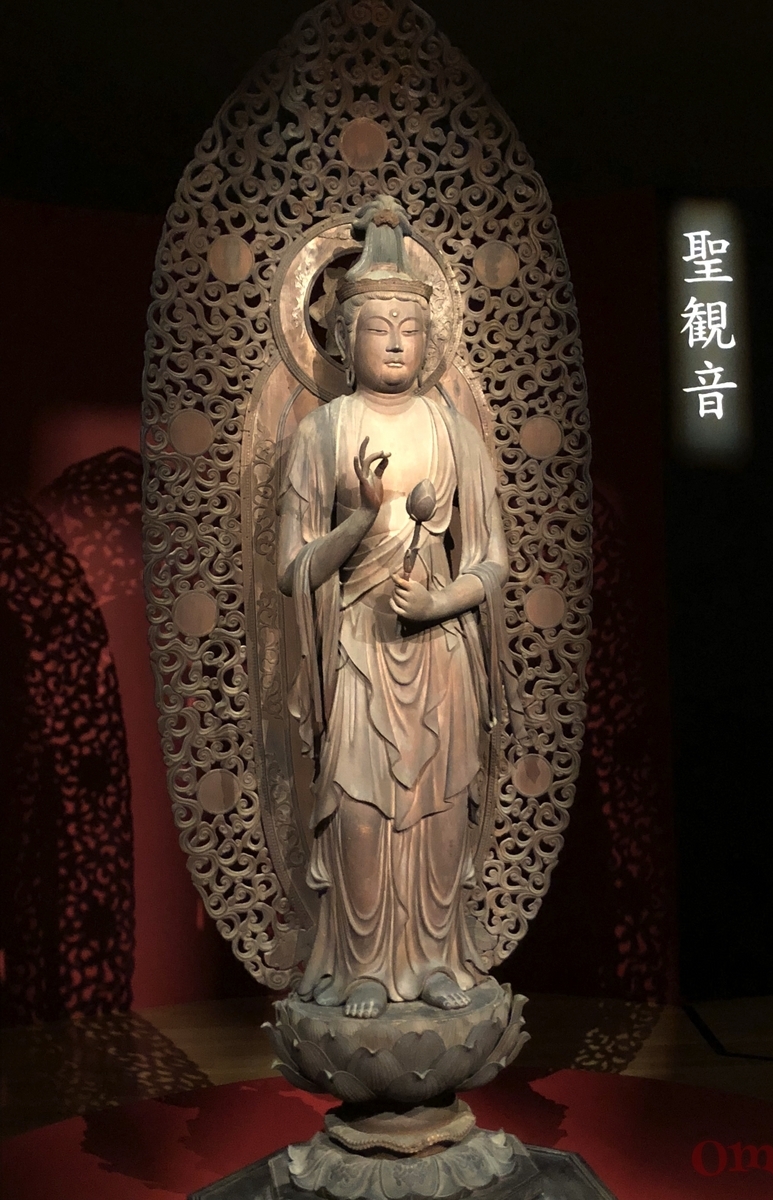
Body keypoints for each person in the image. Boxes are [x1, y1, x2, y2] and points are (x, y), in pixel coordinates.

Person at [277, 196, 521, 1019]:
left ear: (429, 339)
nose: (393, 340)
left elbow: (491, 557)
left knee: (440, 807)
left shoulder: (456, 435)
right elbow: (293, 573)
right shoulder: (322, 434)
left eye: (409, 328)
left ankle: (437, 959)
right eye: (377, 327)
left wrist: (443, 598)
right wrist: (357, 517)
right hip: (360, 648)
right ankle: (364, 966)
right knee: (360, 808)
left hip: (441, 648)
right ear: (344, 339)